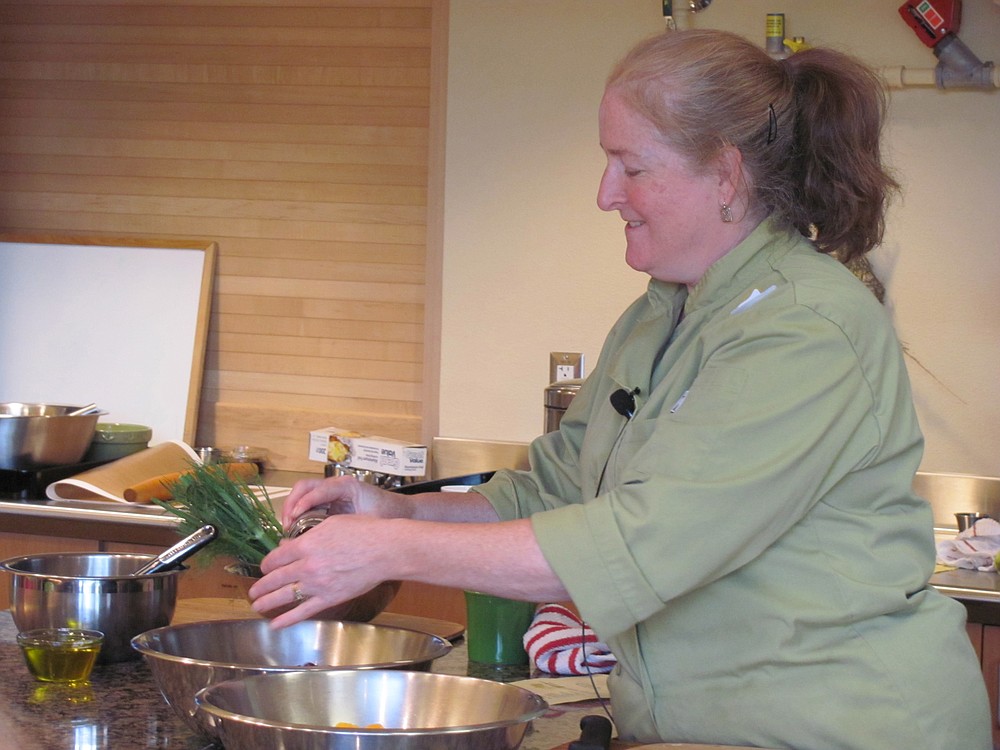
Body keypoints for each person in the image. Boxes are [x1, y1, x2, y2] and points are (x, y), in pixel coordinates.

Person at [249, 29, 991, 749]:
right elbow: (555, 489)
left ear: (726, 175)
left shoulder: (803, 329)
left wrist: (388, 549)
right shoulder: (659, 314)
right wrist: (399, 510)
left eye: (630, 166)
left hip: (841, 729)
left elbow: (638, 542)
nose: (606, 194)